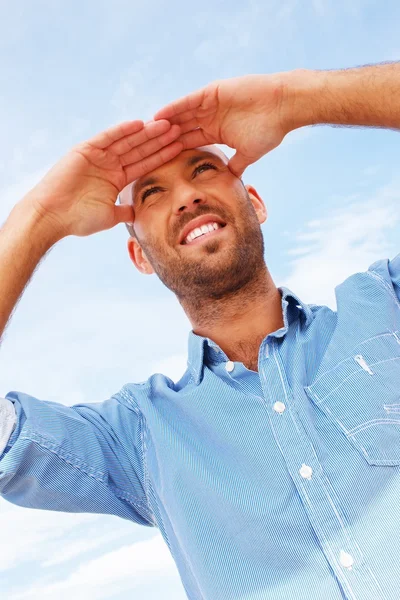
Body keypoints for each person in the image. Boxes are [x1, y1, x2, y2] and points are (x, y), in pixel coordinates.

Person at [0, 62, 399, 600]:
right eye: (153, 193)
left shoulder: (384, 303)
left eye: (205, 169)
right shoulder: (138, 434)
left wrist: (296, 100)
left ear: (254, 202)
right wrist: (40, 218)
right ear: (139, 256)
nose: (186, 196)